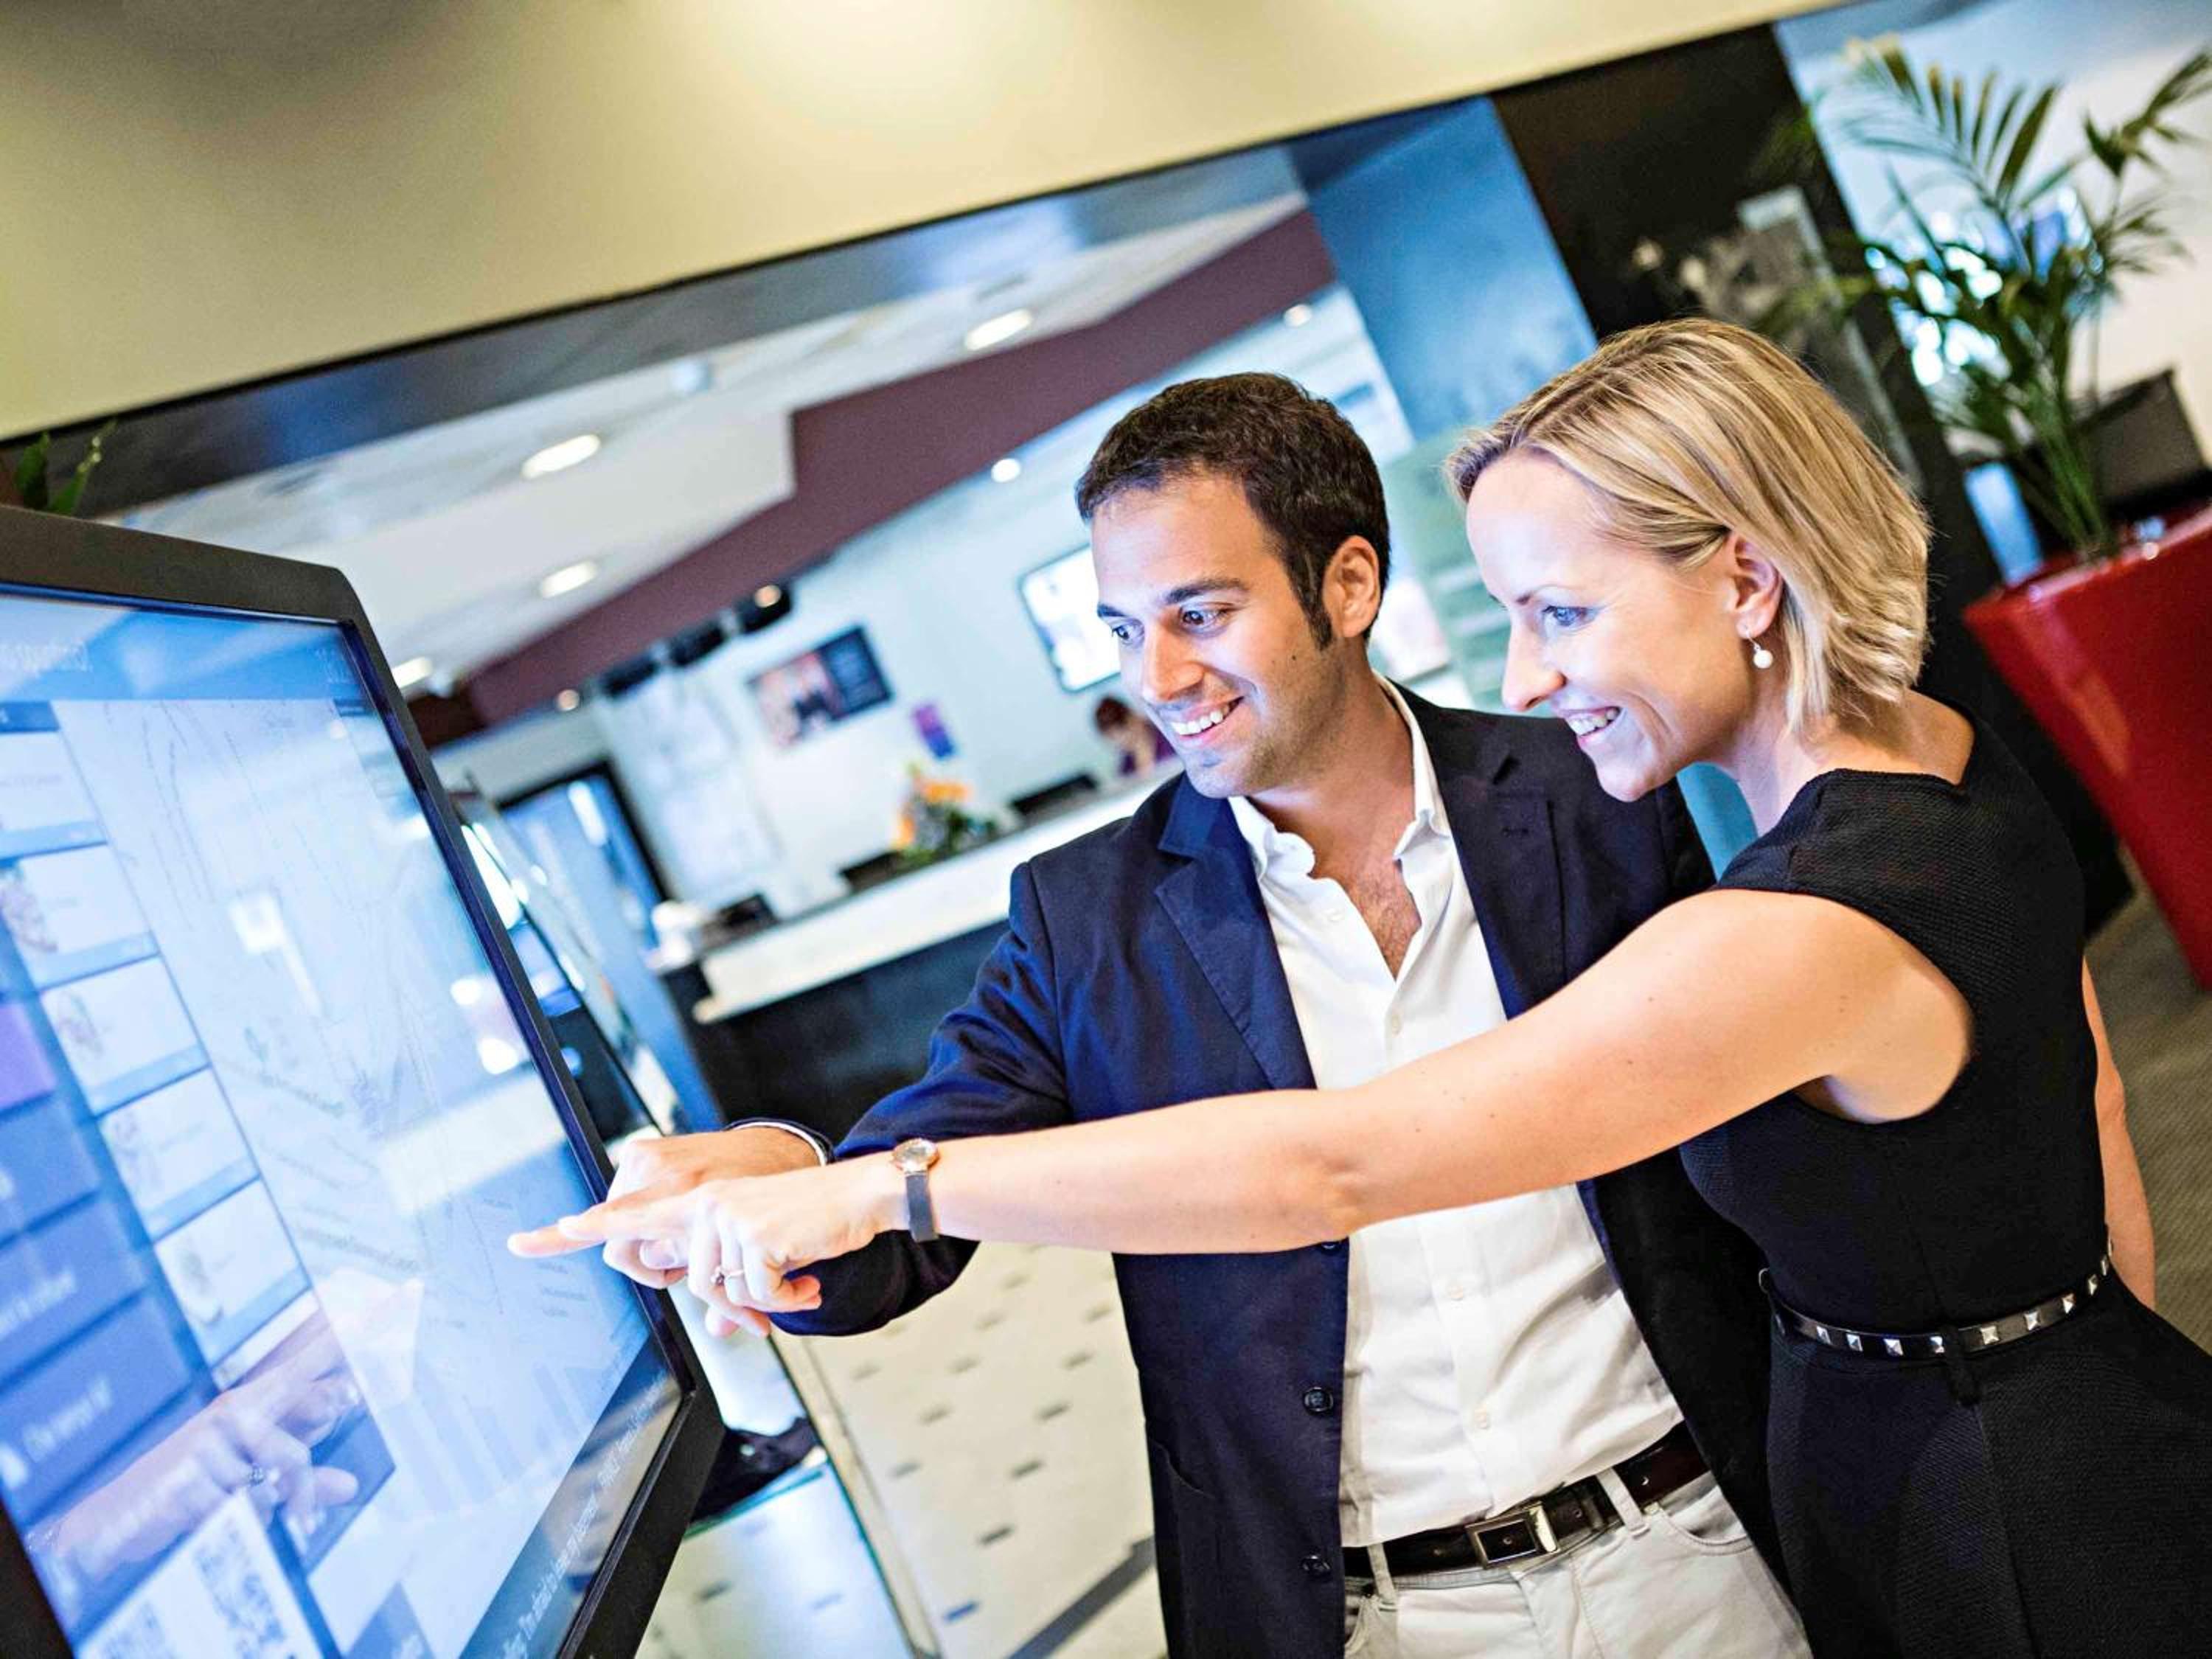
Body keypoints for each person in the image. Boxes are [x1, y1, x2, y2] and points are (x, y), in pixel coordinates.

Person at [528, 321, 2212, 1656]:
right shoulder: (1088, 919)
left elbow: (1335, 1161)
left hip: (1722, 1551)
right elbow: (900, 1196)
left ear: (1346, 586)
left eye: (1200, 611)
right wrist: (777, 1175)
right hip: (1375, 1614)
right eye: (1120, 630)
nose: (1156, 678)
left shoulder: (1615, 791)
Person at [1094, 689, 1177, 777]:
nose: (1121, 741)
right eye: (1112, 737)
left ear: (1133, 717)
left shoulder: (1171, 741)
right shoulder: (1126, 767)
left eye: (1123, 730)